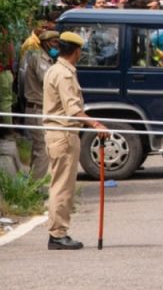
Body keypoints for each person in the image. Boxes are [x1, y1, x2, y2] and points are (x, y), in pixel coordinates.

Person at [43, 31, 109, 250]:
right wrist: (96, 124)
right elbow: (73, 109)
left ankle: (58, 232)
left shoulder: (56, 69)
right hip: (63, 134)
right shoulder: (64, 75)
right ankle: (57, 234)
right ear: (77, 51)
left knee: (60, 184)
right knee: (62, 187)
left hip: (58, 133)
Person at [21, 30, 59, 179]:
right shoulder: (39, 58)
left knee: (38, 150)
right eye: (54, 42)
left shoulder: (48, 58)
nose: (57, 46)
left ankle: (32, 183)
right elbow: (47, 80)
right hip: (37, 109)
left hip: (39, 109)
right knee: (42, 150)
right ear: (46, 43)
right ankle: (35, 186)